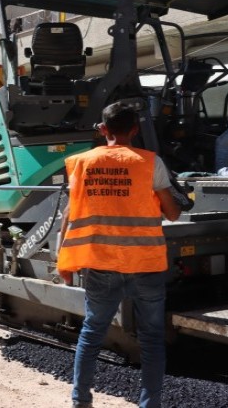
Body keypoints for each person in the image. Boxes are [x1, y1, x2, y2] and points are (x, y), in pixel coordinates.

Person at [58, 101, 181, 408]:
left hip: (102, 264)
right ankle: (150, 404)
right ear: (135, 129)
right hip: (146, 264)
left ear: (103, 129)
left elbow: (70, 214)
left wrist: (63, 258)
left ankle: (80, 401)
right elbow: (173, 214)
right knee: (152, 339)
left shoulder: (82, 163)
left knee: (92, 333)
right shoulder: (150, 162)